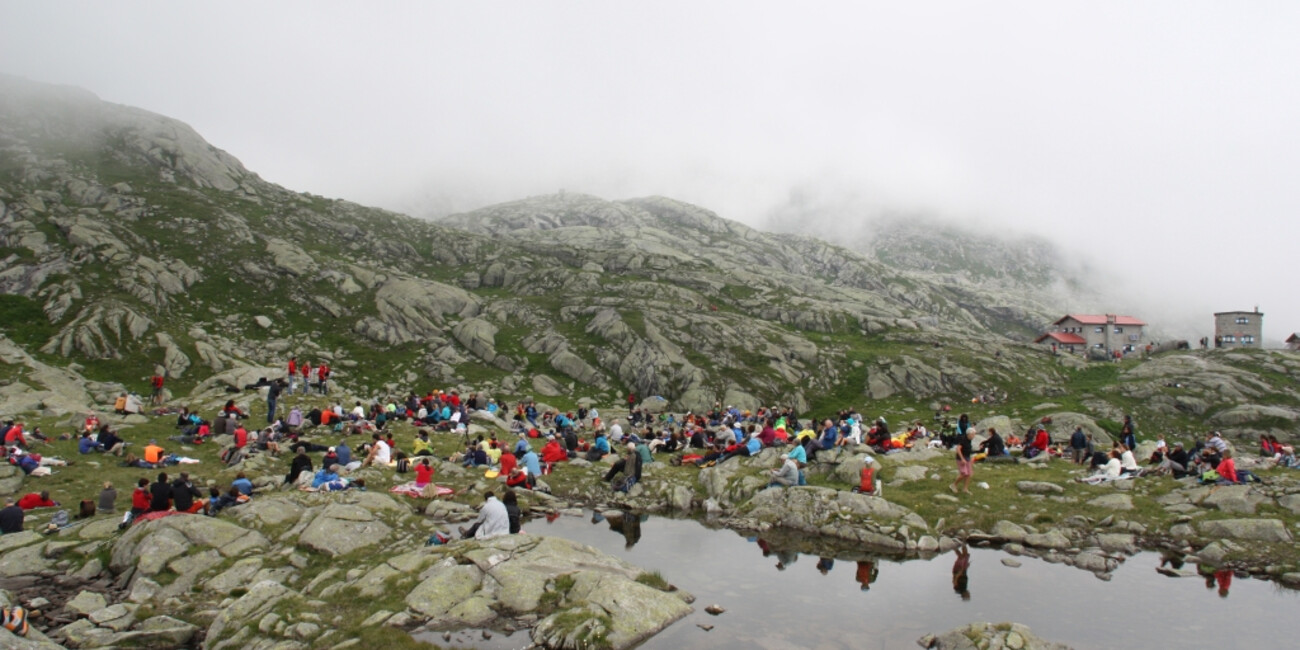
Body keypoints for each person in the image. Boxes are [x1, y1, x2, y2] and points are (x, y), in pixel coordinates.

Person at [950, 428, 974, 494]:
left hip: (968, 458)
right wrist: (962, 458)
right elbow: (958, 449)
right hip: (961, 459)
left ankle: (965, 488)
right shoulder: (963, 439)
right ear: (969, 434)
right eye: (972, 434)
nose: (973, 436)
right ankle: (953, 485)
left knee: (969, 474)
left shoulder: (969, 440)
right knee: (964, 473)